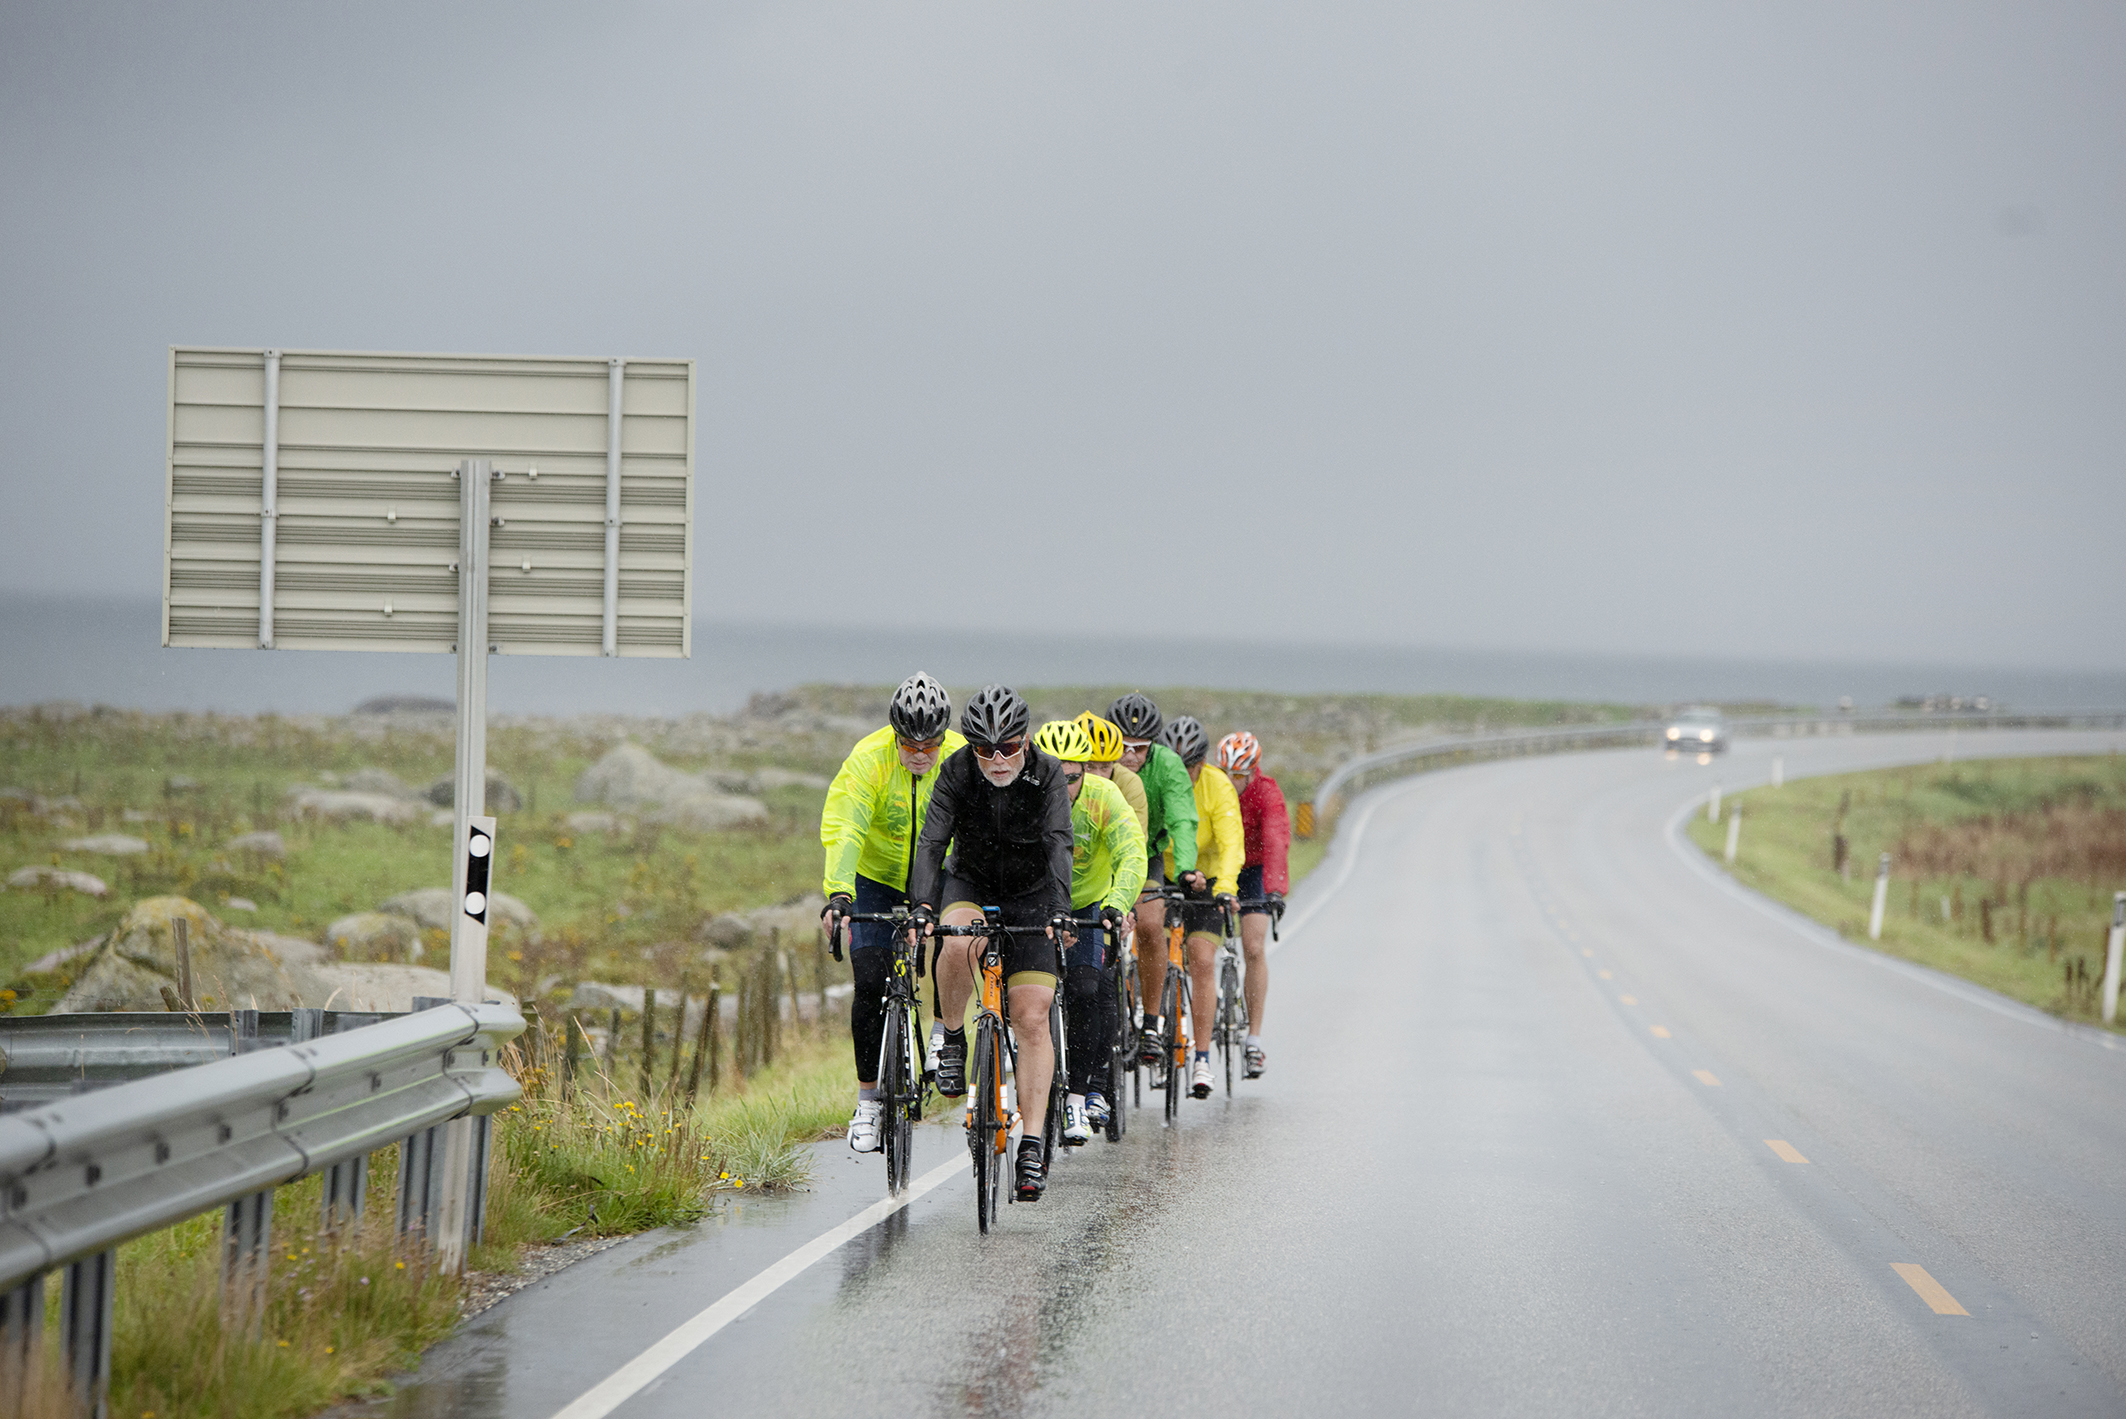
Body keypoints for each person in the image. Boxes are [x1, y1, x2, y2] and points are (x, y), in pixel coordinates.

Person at [909, 685, 1075, 1201]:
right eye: (985, 748)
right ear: (972, 747)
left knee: (1030, 1016)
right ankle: (953, 1038)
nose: (997, 759)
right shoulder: (956, 772)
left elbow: (1058, 842)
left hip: (1032, 893)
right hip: (972, 883)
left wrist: (1062, 911)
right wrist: (921, 907)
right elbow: (933, 842)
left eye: (1008, 746)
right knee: (955, 941)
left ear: (1026, 740)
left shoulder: (1046, 774)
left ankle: (1029, 1144)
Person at [818, 674, 963, 1154]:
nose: (920, 753)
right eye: (909, 744)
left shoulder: (961, 759)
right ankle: (868, 1101)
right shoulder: (868, 760)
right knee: (870, 982)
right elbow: (846, 828)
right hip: (874, 877)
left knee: (954, 938)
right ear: (894, 736)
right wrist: (839, 894)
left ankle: (943, 1030)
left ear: (945, 737)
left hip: (939, 872)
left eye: (931, 744)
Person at [1032, 719, 1147, 1144]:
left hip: (1088, 902)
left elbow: (1132, 852)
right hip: (1039, 901)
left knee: (1084, 989)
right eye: (1053, 777)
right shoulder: (1026, 797)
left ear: (1087, 772)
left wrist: (1117, 904)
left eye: (1074, 778)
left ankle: (1079, 1095)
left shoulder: (1104, 796)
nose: (1063, 788)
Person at [1106, 693, 1199, 1063]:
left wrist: (1186, 868)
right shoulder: (1097, 759)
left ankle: (1151, 1020)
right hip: (1101, 857)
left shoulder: (1169, 765)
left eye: (1140, 748)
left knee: (1148, 924)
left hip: (1146, 855)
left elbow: (1183, 819)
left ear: (1153, 745)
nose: (1130, 755)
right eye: (1123, 746)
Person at [1159, 714, 1243, 1099]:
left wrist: (1225, 887)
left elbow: (1230, 843)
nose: (1186, 774)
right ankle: (1151, 1029)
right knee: (1150, 948)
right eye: (1179, 766)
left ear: (1202, 763)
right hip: (1163, 876)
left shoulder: (1218, 786)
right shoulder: (1157, 779)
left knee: (1202, 959)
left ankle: (1203, 1057)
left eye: (1191, 766)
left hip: (1205, 882)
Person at [1217, 730, 1286, 1078]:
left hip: (1254, 869)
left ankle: (1254, 1039)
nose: (1232, 782)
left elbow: (1275, 838)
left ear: (1253, 771)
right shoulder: (1213, 787)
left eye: (1240, 776)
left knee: (1254, 947)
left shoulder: (1266, 792)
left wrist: (1274, 889)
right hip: (1219, 865)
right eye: (1226, 773)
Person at [1074, 711, 1148, 835]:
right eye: (1090, 767)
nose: (1098, 776)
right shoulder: (1061, 778)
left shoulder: (1130, 782)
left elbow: (1136, 837)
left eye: (1105, 767)